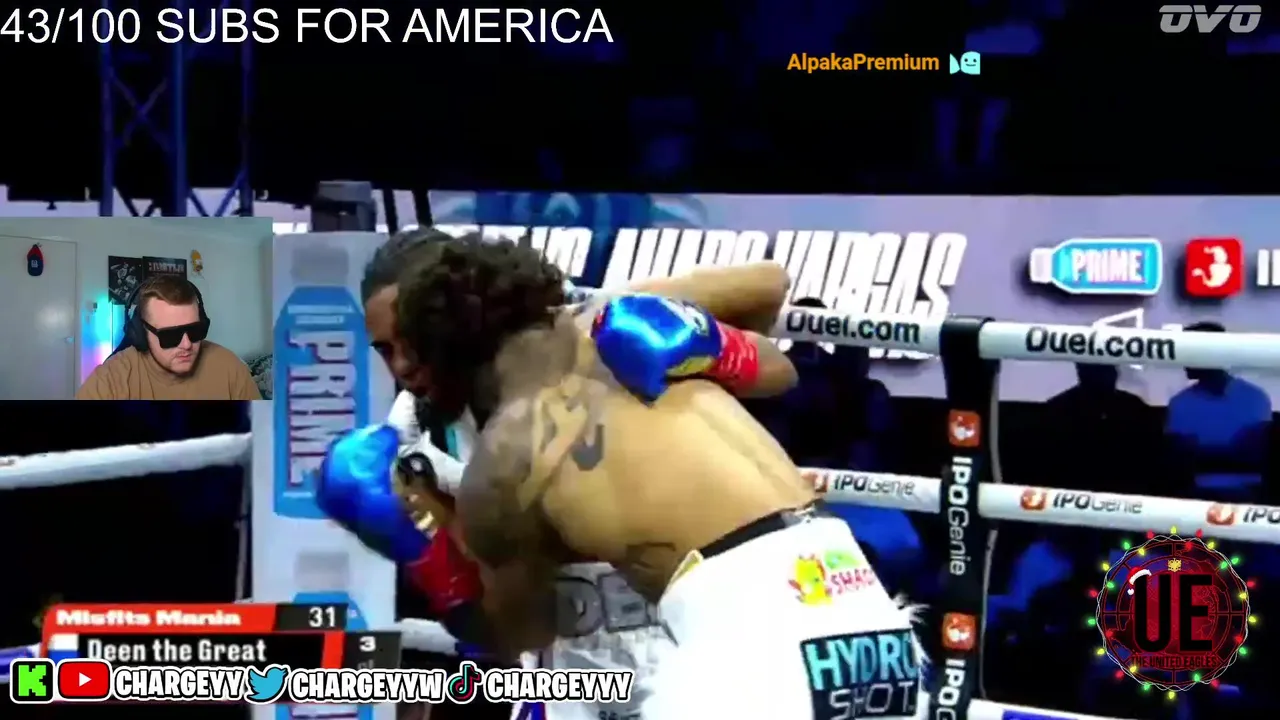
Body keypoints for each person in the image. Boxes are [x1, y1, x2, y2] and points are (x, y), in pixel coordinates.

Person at [328, 233, 922, 719]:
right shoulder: (599, 341)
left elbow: (511, 635)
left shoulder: (508, 459)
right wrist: (709, 341)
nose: (403, 368)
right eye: (385, 350)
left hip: (740, 646)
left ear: (446, 340)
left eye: (412, 346)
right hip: (858, 610)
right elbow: (783, 370)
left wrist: (426, 549)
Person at [76, 276, 260, 400]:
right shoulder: (110, 382)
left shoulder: (230, 369)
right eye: (170, 335)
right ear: (140, 333)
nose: (187, 344)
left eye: (195, 330)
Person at [1165, 321, 1273, 502]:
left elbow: (1256, 454)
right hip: (1195, 494)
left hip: (1249, 492)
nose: (1182, 360)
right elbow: (1180, 459)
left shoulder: (1254, 398)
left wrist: (1207, 453)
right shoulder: (1180, 403)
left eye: (1187, 351)